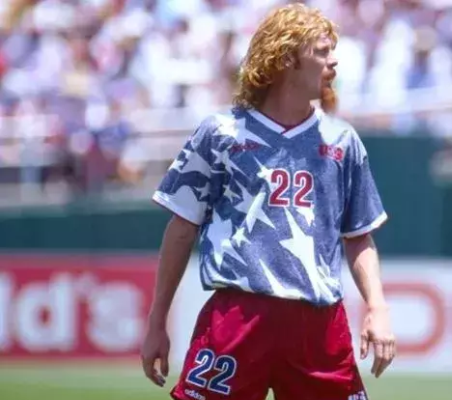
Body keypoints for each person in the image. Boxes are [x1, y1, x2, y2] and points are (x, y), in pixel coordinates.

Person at [140, 4, 395, 400]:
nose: (335, 60)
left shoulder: (342, 141)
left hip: (319, 327)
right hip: (237, 319)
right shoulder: (220, 132)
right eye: (322, 51)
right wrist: (158, 322)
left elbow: (358, 237)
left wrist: (377, 308)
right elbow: (181, 228)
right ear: (287, 57)